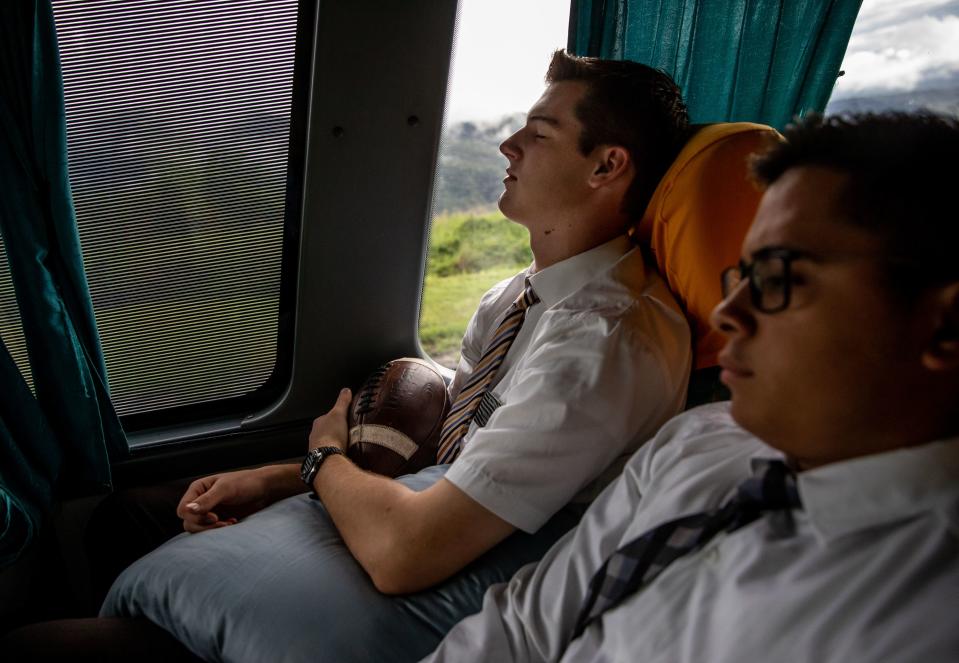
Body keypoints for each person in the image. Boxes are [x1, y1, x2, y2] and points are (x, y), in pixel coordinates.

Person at [4, 50, 693, 661]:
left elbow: (405, 553)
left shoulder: (605, 343)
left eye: (538, 134)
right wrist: (281, 478)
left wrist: (323, 460)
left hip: (461, 563)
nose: (508, 144)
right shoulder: (518, 297)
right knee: (123, 517)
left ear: (606, 166)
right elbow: (456, 451)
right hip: (432, 510)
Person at [421, 112, 959, 663]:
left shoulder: (921, 620)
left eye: (778, 280)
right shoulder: (697, 444)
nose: (728, 314)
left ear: (945, 326)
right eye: (741, 278)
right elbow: (521, 631)